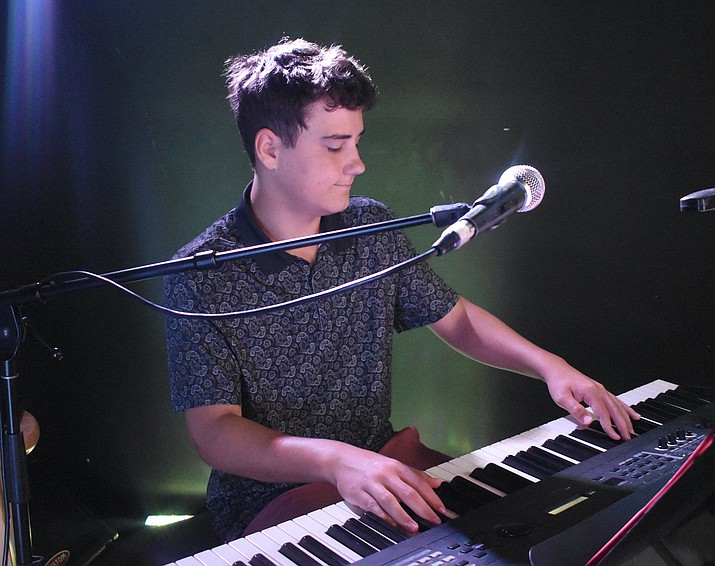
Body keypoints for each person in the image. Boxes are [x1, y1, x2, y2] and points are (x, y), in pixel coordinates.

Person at [164, 37, 640, 543]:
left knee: (541, 528)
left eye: (357, 141)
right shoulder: (200, 273)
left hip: (387, 464)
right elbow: (215, 430)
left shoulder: (369, 224)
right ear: (269, 148)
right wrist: (336, 462)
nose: (357, 163)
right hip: (274, 499)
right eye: (335, 146)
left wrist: (552, 367)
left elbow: (455, 318)